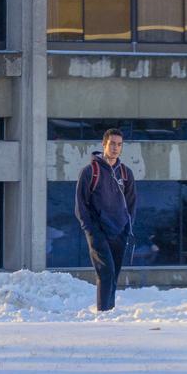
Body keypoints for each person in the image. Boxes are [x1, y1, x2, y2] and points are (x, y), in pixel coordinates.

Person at [75, 128, 137, 312]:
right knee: (106, 272)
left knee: (114, 274)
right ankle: (103, 313)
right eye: (112, 144)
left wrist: (127, 227)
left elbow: (132, 203)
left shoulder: (126, 173)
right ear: (104, 144)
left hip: (120, 231)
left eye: (119, 144)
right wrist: (90, 230)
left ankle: (109, 310)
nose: (116, 148)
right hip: (98, 231)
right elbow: (80, 205)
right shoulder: (90, 172)